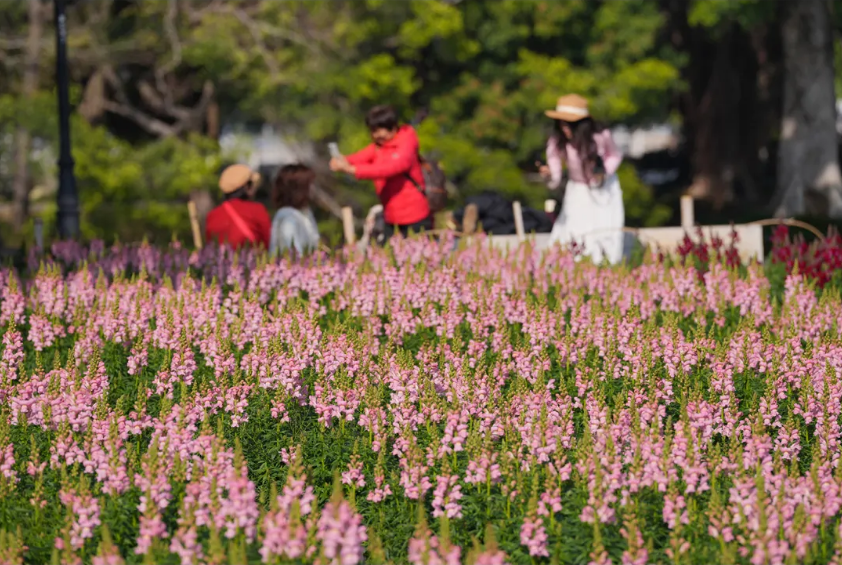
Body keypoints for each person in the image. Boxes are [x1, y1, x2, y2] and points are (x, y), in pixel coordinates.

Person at [539, 94, 625, 264]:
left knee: (606, 232)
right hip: (577, 190)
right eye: (561, 123)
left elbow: (615, 155)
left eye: (569, 123)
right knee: (574, 231)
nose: (564, 127)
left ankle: (607, 267)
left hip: (604, 191)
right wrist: (549, 175)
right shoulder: (558, 141)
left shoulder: (600, 136)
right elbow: (555, 173)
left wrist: (604, 172)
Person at [329, 105, 431, 241]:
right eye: (372, 131)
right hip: (391, 216)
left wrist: (351, 169)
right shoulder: (380, 145)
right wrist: (343, 160)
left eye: (378, 131)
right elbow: (362, 156)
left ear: (392, 127)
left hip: (414, 215)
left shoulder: (406, 143)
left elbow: (388, 169)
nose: (375, 135)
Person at [205, 164, 271, 249]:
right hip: (251, 261)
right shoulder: (257, 210)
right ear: (247, 187)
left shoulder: (212, 215)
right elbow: (268, 243)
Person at [270, 164, 320, 256]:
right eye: (310, 184)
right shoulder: (288, 218)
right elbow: (294, 256)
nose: (313, 188)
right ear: (298, 188)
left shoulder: (304, 212)